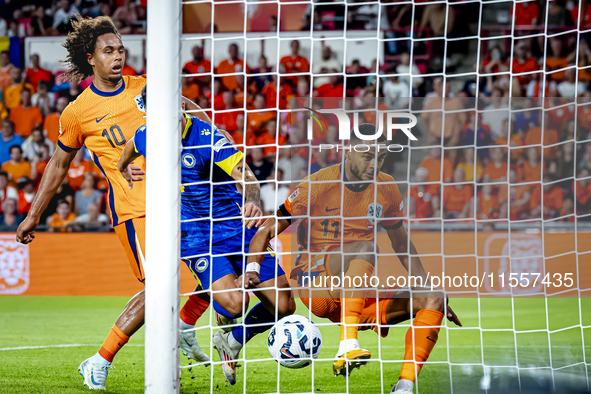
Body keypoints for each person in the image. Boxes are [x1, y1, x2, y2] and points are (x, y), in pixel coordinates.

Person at [15, 16, 170, 391]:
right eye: (108, 51)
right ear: (91, 59)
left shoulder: (148, 87)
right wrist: (34, 215)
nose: (118, 57)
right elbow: (58, 164)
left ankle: (181, 328)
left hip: (176, 204)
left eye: (120, 49)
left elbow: (193, 119)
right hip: (135, 211)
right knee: (159, 290)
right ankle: (99, 361)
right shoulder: (77, 112)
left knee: (209, 275)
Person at [246, 124, 461, 394]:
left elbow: (402, 243)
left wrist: (426, 285)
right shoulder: (318, 184)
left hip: (354, 292)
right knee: (366, 248)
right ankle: (347, 345)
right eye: (368, 155)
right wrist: (252, 267)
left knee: (435, 297)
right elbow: (266, 229)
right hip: (316, 282)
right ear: (348, 151)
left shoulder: (387, 189)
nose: (375, 163)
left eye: (381, 157)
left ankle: (404, 386)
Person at [118, 84, 295, 386]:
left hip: (235, 228)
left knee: (284, 307)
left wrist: (252, 199)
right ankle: (222, 307)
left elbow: (246, 175)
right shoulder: (149, 134)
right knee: (235, 305)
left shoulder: (208, 139)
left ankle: (233, 340)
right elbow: (132, 145)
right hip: (195, 235)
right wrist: (124, 167)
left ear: (182, 108)